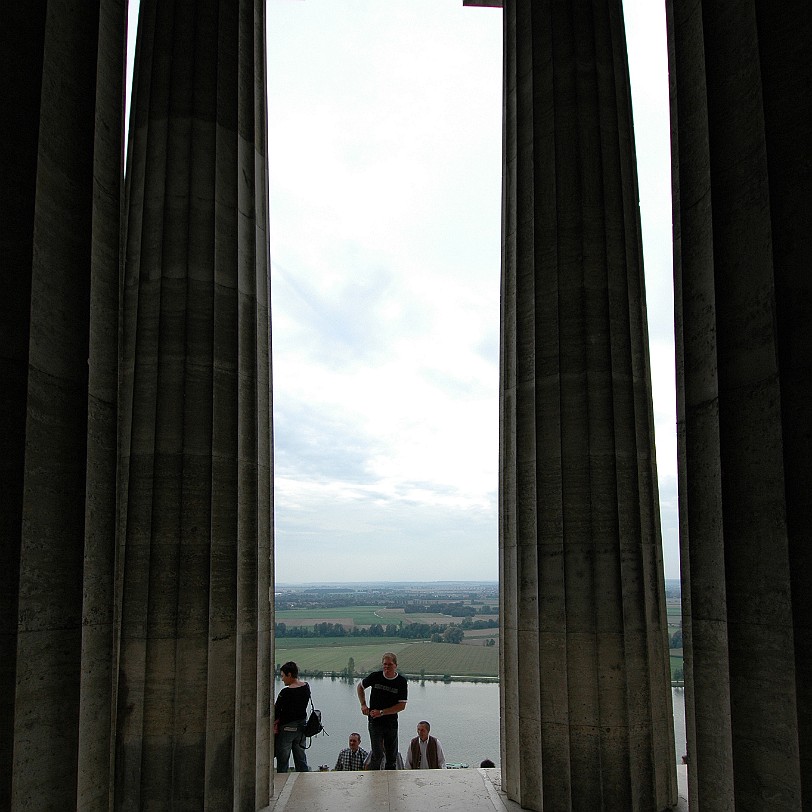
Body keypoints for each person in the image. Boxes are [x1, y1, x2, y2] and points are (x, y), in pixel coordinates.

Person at [356, 651, 408, 770]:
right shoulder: (375, 676)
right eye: (384, 664)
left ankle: (390, 781)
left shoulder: (401, 682)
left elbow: (401, 706)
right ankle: (374, 780)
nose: (386, 667)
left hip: (391, 723)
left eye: (389, 664)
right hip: (375, 723)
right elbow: (360, 687)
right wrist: (363, 705)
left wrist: (382, 712)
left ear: (395, 665)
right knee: (377, 754)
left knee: (391, 756)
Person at [274, 661, 310, 773]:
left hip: (287, 729)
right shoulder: (306, 687)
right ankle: (303, 781)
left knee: (283, 760)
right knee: (301, 758)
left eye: (283, 676)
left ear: (289, 674)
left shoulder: (285, 692)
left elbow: (276, 711)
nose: (282, 679)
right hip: (302, 727)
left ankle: (281, 783)